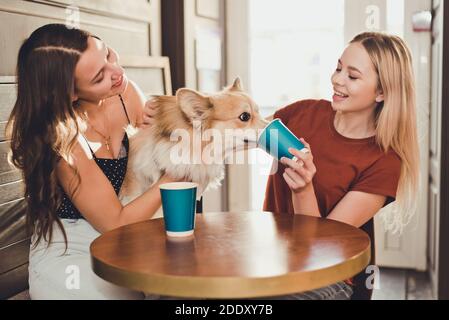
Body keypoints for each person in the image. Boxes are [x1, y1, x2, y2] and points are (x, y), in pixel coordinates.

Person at [7, 24, 179, 299]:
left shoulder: (124, 92)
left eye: (108, 54)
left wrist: (162, 126)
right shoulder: (62, 141)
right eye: (100, 76)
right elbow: (114, 222)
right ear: (71, 94)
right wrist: (173, 177)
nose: (117, 72)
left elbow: (148, 158)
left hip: (123, 241)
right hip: (70, 250)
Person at [263, 32, 419, 299]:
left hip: (330, 277)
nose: (337, 79)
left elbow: (317, 246)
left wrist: (303, 189)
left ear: (381, 92)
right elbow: (242, 130)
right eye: (338, 68)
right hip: (273, 260)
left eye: (352, 76)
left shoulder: (384, 161)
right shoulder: (302, 115)